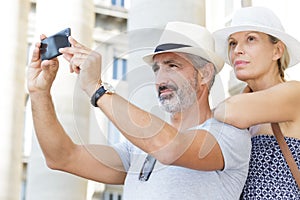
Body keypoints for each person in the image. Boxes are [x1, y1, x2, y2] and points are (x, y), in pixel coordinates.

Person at [27, 21, 251, 199]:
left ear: (205, 74)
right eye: (157, 68)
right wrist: (39, 92)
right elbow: (62, 157)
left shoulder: (229, 135)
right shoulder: (137, 149)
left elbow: (171, 148)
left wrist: (97, 89)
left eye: (173, 66)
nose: (160, 79)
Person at [213, 6, 300, 199]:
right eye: (233, 43)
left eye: (250, 39)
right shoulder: (241, 105)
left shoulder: (295, 93)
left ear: (277, 50)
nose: (238, 50)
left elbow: (230, 111)